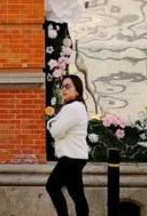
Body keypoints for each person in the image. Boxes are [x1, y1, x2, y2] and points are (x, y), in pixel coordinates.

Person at [46, 74, 89, 216]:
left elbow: (55, 132)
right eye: (62, 87)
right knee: (77, 193)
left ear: (77, 91)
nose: (63, 90)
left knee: (52, 186)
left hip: (70, 158)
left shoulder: (72, 108)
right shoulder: (77, 107)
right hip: (77, 157)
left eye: (68, 86)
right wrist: (55, 124)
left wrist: (52, 123)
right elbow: (58, 129)